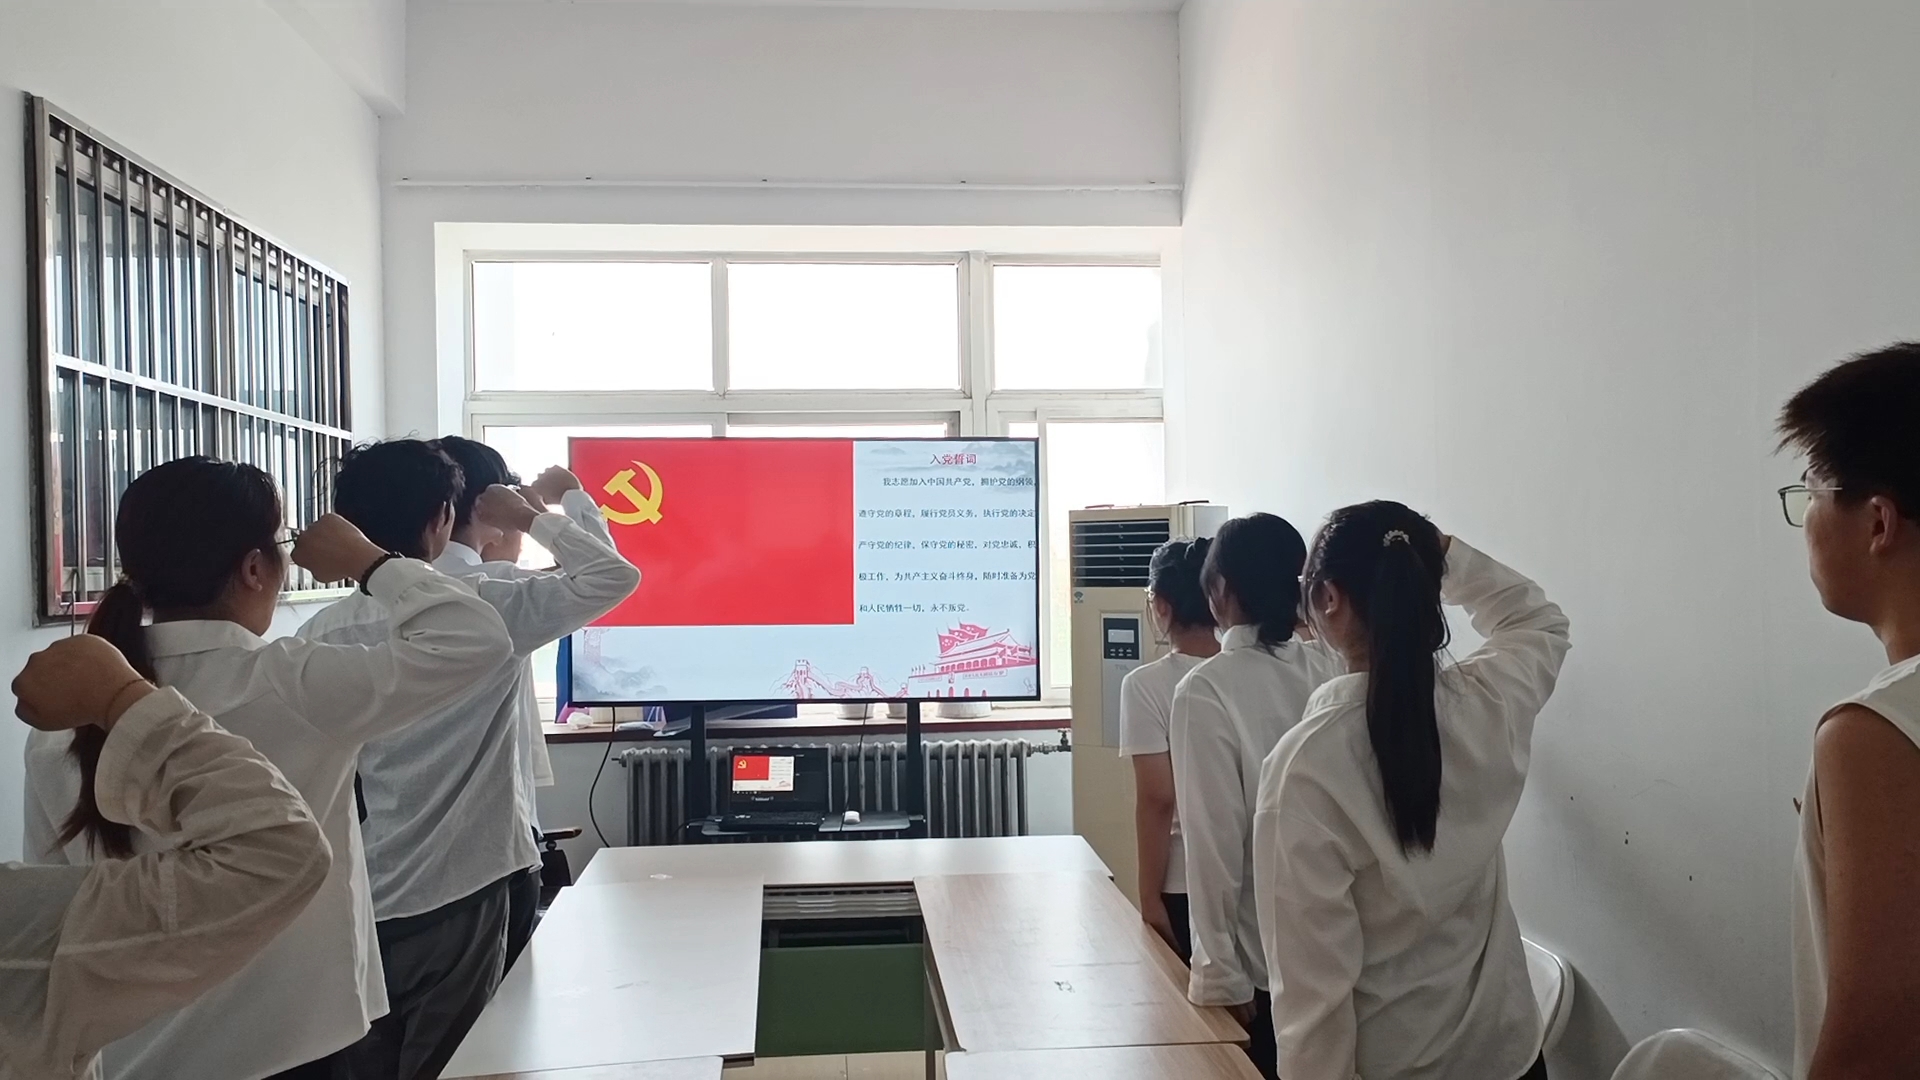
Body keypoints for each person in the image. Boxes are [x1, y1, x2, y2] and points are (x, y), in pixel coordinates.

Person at [21, 457, 514, 1080]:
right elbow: (477, 640)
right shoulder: (292, 682)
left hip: (124, 1055)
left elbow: (49, 913)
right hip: (292, 1048)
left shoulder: (64, 718)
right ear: (254, 569)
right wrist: (371, 562)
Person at [301, 439, 638, 1080]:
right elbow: (611, 576)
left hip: (366, 889)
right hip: (465, 883)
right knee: (465, 1060)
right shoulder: (487, 602)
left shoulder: (320, 632)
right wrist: (545, 510)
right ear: (443, 517)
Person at [1254, 502, 1570, 1080]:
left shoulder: (1306, 767)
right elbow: (1538, 621)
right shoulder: (1487, 701)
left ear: (1328, 598)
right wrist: (1443, 552)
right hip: (1509, 1058)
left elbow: (1311, 1002)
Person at [2, 635, 330, 1080]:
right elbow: (281, 849)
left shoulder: (47, 743)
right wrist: (118, 696)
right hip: (274, 1029)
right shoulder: (296, 677)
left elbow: (48, 865)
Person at [1776, 344, 1920, 1079]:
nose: (1805, 519)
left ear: (1878, 522)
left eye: (1811, 492)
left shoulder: (1872, 731)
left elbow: (1877, 1050)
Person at [1170, 512, 1344, 1080]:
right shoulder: (1332, 665)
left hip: (1265, 963)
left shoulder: (1206, 688)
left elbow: (1212, 840)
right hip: (1346, 948)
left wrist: (1218, 972)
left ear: (1220, 590)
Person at [435, 435, 612, 967]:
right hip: (489, 855)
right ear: (484, 506)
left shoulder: (357, 610)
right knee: (497, 1003)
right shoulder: (489, 593)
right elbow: (605, 574)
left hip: (394, 865)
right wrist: (556, 505)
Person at [1119, 538, 1219, 962]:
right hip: (1257, 873)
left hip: (1184, 878)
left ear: (1161, 605)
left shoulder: (1145, 685)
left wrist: (1147, 895)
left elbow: (1158, 798)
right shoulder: (1255, 670)